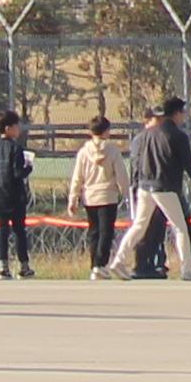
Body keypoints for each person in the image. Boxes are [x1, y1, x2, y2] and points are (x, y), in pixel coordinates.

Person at [130, 92, 191, 280]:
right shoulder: (176, 136)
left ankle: (120, 262)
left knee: (141, 227)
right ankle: (187, 269)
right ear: (176, 114)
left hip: (146, 187)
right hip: (165, 188)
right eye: (183, 113)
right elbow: (189, 165)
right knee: (179, 228)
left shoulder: (146, 135)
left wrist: (137, 186)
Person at [0, 105, 38, 280]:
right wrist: (28, 167)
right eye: (16, 126)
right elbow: (18, 173)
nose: (18, 129)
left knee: (2, 230)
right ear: (8, 128)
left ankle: (2, 267)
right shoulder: (15, 148)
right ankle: (24, 266)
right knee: (19, 231)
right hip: (14, 195)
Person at [70, 115, 128, 278]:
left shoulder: (83, 152)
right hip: (107, 195)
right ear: (106, 131)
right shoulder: (112, 150)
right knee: (106, 231)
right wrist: (126, 192)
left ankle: (94, 264)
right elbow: (121, 174)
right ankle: (101, 264)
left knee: (94, 232)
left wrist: (73, 197)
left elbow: (77, 176)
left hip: (90, 196)